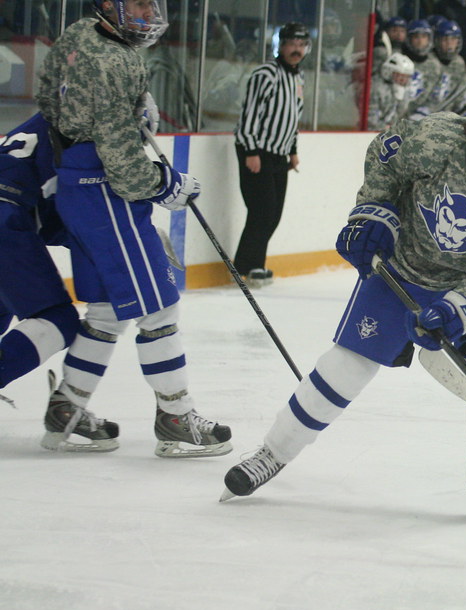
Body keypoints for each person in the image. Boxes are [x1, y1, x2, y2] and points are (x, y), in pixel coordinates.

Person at [221, 79, 466, 524]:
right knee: (345, 367)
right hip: (404, 268)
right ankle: (272, 453)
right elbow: (384, 158)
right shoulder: (437, 138)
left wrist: (458, 308)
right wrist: (372, 214)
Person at [36, 0, 231, 456]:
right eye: (140, 3)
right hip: (106, 193)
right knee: (159, 308)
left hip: (75, 186)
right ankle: (176, 417)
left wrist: (125, 111)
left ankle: (66, 407)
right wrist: (165, 184)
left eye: (152, 4)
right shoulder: (117, 60)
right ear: (110, 4)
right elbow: (124, 167)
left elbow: (48, 100)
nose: (149, 13)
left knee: (106, 310)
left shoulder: (79, 33)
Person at [0, 114, 80, 393]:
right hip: (3, 218)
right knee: (58, 320)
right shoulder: (81, 128)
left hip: (9, 212)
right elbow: (66, 215)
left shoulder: (45, 119)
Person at [233, 22, 310, 288]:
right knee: (262, 211)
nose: (296, 49)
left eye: (301, 45)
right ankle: (252, 266)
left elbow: (294, 116)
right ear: (282, 45)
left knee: (273, 214)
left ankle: (246, 265)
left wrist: (293, 150)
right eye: (292, 44)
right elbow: (250, 113)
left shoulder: (298, 77)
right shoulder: (266, 74)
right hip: (257, 151)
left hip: (280, 154)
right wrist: (251, 151)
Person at [367, 52, 415, 129]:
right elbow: (370, 119)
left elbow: (398, 115)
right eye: (399, 75)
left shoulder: (404, 91)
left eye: (406, 76)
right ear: (389, 72)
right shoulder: (376, 87)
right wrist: (385, 127)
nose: (403, 80)